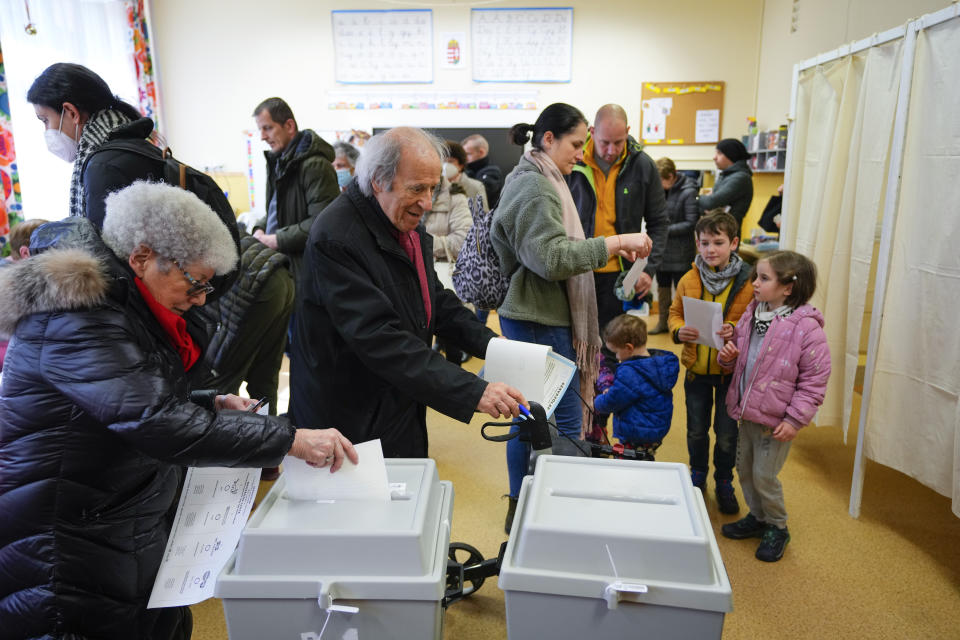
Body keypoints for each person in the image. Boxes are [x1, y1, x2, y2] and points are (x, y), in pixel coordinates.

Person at [0, 181, 357, 639]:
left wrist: (212, 401)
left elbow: (129, 398)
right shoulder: (77, 317)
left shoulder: (119, 304)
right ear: (143, 257)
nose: (202, 297)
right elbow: (153, 420)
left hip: (110, 515)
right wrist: (290, 439)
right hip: (63, 543)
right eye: (195, 282)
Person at [290, 126, 527, 460]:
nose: (427, 203)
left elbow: (436, 302)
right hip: (349, 414)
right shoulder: (337, 237)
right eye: (417, 188)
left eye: (433, 188)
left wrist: (493, 346)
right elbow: (381, 339)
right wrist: (475, 391)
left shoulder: (398, 221)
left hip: (395, 397)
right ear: (378, 180)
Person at [490, 103, 653, 532]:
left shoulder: (539, 178)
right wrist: (615, 243)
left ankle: (527, 505)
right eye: (576, 143)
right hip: (536, 319)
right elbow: (551, 258)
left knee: (534, 421)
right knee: (552, 422)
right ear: (548, 139)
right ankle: (546, 513)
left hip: (535, 316)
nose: (581, 153)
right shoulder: (535, 186)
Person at [717, 250, 830, 562]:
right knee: (746, 471)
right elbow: (737, 355)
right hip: (747, 412)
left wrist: (795, 420)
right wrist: (727, 357)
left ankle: (777, 526)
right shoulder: (753, 313)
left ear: (788, 288)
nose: (754, 283)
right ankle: (758, 516)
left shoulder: (806, 328)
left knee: (765, 475)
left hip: (775, 419)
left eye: (763, 278)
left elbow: (815, 380)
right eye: (756, 276)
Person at [668, 212, 754, 513]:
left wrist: (735, 328)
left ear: (734, 243)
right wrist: (679, 330)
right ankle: (698, 474)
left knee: (728, 433)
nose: (710, 249)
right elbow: (674, 313)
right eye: (704, 243)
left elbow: (754, 321)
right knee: (696, 429)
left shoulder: (748, 282)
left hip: (731, 374)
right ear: (696, 243)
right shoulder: (689, 279)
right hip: (697, 372)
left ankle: (724, 480)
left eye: (718, 242)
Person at [566, 105, 669, 355]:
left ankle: (608, 392)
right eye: (605, 142)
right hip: (577, 268)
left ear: (629, 133)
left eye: (618, 142)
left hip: (620, 275)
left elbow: (658, 222)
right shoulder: (573, 160)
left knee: (612, 347)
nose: (611, 150)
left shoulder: (642, 165)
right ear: (592, 132)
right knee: (574, 344)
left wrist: (648, 269)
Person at [251, 97, 339, 287]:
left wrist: (276, 240)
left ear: (289, 126)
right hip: (285, 266)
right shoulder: (281, 162)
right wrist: (260, 227)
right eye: (260, 130)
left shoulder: (315, 166)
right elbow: (279, 209)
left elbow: (322, 224)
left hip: (305, 273)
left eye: (267, 128)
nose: (262, 137)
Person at [594, 314, 679, 459]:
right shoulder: (657, 364)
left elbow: (612, 401)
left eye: (616, 352)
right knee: (644, 458)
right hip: (654, 431)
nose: (616, 357)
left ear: (628, 348)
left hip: (637, 432)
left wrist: (599, 400)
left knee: (628, 462)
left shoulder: (630, 372)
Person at [424, 172, 472, 364]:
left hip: (447, 271)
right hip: (417, 271)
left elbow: (463, 240)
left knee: (449, 317)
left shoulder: (455, 198)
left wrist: (421, 242)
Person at [650, 157, 701, 334]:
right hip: (662, 251)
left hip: (680, 251)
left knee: (683, 290)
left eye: (661, 180)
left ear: (671, 176)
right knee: (662, 288)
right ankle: (663, 323)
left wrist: (664, 230)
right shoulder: (660, 191)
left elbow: (691, 223)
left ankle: (684, 327)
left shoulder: (688, 191)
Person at [698, 138, 754, 230]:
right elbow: (706, 205)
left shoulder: (740, 178)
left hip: (727, 234)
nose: (714, 157)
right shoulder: (726, 175)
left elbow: (710, 202)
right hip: (717, 229)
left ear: (731, 155)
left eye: (719, 153)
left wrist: (695, 197)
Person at [443, 139, 489, 211]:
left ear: (461, 165)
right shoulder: (432, 187)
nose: (445, 165)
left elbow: (482, 216)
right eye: (443, 161)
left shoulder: (476, 187)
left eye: (451, 161)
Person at [461, 133, 504, 208]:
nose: (465, 158)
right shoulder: (467, 170)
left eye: (468, 154)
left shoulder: (493, 172)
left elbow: (479, 194)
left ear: (481, 152)